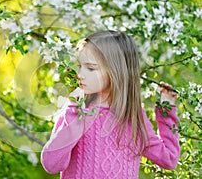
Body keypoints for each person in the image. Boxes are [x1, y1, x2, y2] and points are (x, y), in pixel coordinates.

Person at [41, 31, 180, 179]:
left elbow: (169, 159)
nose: (80, 74)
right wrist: (75, 117)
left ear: (115, 71)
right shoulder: (76, 112)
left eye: (90, 68)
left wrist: (166, 110)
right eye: (80, 66)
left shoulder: (133, 118)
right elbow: (52, 164)